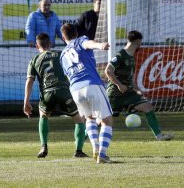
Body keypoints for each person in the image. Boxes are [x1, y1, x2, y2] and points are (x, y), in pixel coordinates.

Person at [23, 33, 87, 158]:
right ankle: (78, 151)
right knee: (79, 120)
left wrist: (26, 101)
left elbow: (29, 81)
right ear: (50, 44)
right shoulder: (61, 54)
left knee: (44, 116)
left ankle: (43, 145)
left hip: (47, 94)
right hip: (64, 92)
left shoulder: (34, 60)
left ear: (37, 46)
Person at [105, 30, 173, 141]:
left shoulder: (132, 57)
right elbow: (108, 71)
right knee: (103, 121)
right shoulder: (121, 55)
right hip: (115, 94)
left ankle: (159, 136)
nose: (140, 44)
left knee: (148, 107)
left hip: (128, 93)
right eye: (140, 42)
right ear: (137, 41)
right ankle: (81, 141)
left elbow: (130, 80)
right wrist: (119, 85)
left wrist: (138, 90)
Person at [59, 23, 112, 164]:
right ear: (76, 33)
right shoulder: (80, 40)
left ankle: (95, 149)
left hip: (75, 89)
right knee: (106, 121)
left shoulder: (63, 54)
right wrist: (100, 45)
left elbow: (67, 75)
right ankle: (102, 154)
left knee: (89, 119)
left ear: (63, 38)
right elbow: (88, 44)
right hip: (91, 83)